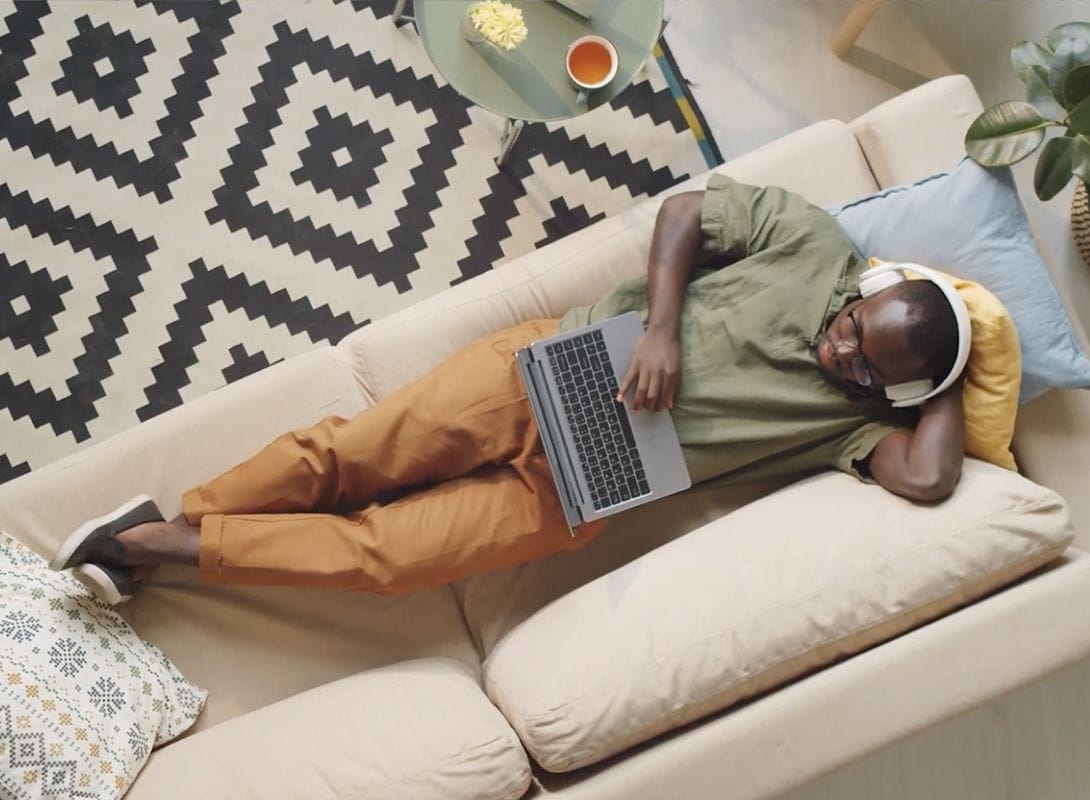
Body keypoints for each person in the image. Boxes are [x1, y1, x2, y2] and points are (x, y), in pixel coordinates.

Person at [50, 175, 966, 605]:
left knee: (386, 558)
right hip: (551, 368)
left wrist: (956, 367)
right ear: (869, 290)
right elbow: (687, 210)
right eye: (853, 329)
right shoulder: (814, 242)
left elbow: (925, 480)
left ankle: (162, 546)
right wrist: (658, 328)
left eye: (865, 366)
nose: (838, 352)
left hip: (573, 496)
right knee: (347, 456)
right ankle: (181, 520)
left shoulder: (856, 417)